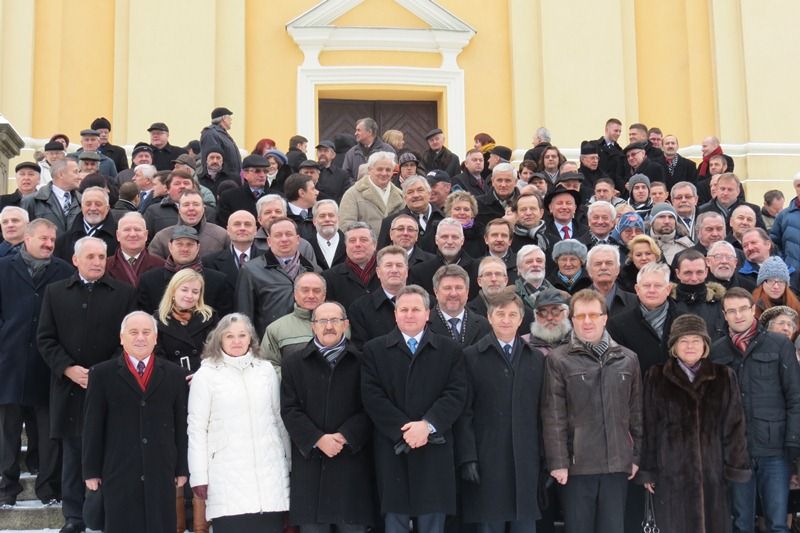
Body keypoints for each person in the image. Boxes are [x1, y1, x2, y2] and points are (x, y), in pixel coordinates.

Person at [38, 237, 137, 532]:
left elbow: (129, 341)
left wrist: (102, 373)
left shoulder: (124, 293)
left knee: (108, 452)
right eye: (90, 256)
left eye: (101, 257)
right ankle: (74, 517)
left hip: (110, 386)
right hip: (69, 386)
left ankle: (105, 514)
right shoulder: (55, 292)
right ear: (75, 260)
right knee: (73, 453)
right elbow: (45, 338)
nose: (97, 262)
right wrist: (67, 369)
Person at [360, 285, 467, 533]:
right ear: (395, 314)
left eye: (416, 309)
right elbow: (372, 396)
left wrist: (427, 426)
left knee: (433, 518)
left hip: (434, 446)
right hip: (393, 447)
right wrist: (404, 430)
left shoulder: (449, 349)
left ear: (427, 313)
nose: (410, 315)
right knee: (395, 518)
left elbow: (456, 392)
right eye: (404, 309)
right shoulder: (374, 350)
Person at [542, 289, 642, 533]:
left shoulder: (628, 359)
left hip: (617, 463)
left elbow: (636, 412)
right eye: (580, 316)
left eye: (593, 315)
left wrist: (636, 456)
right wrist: (558, 462)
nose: (587, 321)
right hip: (577, 466)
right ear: (572, 320)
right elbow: (554, 415)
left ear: (604, 318)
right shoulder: (559, 359)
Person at [639, 314, 751, 533]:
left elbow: (734, 426)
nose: (690, 346)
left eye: (696, 340)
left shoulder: (723, 376)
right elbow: (649, 426)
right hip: (670, 472)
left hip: (713, 472)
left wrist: (735, 466)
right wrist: (648, 470)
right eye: (683, 340)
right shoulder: (656, 376)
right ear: (674, 346)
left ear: (705, 345)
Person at [82, 311, 190, 533]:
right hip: (118, 469)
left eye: (146, 332)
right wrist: (91, 470)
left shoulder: (175, 375)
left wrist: (182, 467)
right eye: (133, 332)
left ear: (155, 338)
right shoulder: (101, 374)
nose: (140, 337)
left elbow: (181, 425)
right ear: (122, 338)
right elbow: (92, 426)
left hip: (161, 469)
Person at [188, 314, 290, 533]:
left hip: (269, 479)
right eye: (229, 336)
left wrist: (290, 464)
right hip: (227, 481)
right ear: (219, 339)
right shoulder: (206, 375)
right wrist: (199, 476)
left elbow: (279, 419)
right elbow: (197, 428)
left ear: (251, 338)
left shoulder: (265, 370)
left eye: (242, 335)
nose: (236, 341)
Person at [280, 302, 376, 533]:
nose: (329, 326)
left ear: (346, 324)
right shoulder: (294, 362)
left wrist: (345, 436)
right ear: (313, 326)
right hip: (311, 466)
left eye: (335, 320)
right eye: (322, 321)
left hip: (351, 464)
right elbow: (290, 409)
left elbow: (371, 406)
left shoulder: (363, 361)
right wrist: (317, 438)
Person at [711, 288, 800, 533]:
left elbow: (795, 396)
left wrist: (793, 443)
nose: (738, 315)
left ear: (753, 310)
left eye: (743, 309)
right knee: (741, 523)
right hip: (736, 450)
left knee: (777, 523)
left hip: (775, 449)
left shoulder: (779, 344)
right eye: (731, 311)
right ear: (724, 315)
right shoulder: (717, 351)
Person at [457, 287, 544, 533]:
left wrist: (545, 458)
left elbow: (544, 412)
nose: (506, 320)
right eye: (500, 314)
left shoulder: (535, 358)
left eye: (512, 314)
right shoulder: (471, 357)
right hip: (488, 457)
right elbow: (464, 412)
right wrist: (468, 457)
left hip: (526, 458)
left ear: (521, 319)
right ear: (489, 317)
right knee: (490, 523)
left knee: (524, 524)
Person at [0, 219, 73, 507]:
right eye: (43, 239)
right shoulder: (3, 268)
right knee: (7, 430)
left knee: (48, 430)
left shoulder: (64, 271)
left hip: (47, 363)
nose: (49, 244)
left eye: (52, 240)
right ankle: (7, 488)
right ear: (27, 239)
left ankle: (48, 488)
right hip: (9, 361)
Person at [139, 226, 232, 316]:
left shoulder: (217, 281)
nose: (185, 249)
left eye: (190, 244)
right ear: (170, 246)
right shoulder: (149, 280)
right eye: (179, 244)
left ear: (198, 247)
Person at [154, 269, 219, 375]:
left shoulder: (209, 317)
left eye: (195, 292)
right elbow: (158, 359)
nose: (189, 296)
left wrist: (201, 376)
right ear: (173, 291)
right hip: (173, 378)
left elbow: (217, 353)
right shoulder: (157, 321)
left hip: (205, 377)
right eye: (184, 290)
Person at [261, 272, 327, 375]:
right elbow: (267, 366)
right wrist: (293, 380)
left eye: (317, 291)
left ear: (324, 296)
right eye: (305, 290)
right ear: (295, 294)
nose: (311, 295)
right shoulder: (276, 328)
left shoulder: (340, 325)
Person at [348, 246, 408, 350]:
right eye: (388, 265)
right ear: (378, 272)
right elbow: (362, 349)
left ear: (406, 271)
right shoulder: (360, 308)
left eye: (399, 265)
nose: (394, 270)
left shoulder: (427, 303)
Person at [339, 151, 404, 235]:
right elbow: (346, 225)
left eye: (388, 170)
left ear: (393, 172)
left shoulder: (401, 196)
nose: (384, 173)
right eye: (379, 169)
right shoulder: (352, 194)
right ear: (369, 170)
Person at [428, 264, 492, 346]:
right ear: (436, 292)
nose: (453, 294)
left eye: (459, 288)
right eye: (447, 288)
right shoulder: (424, 324)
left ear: (467, 291)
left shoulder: (483, 325)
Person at [54, 186, 118, 261]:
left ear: (107, 208)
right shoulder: (63, 241)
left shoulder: (119, 238)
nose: (93, 208)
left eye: (98, 204)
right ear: (81, 207)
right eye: (88, 204)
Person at [21, 158, 82, 236]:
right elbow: (23, 233)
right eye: (75, 172)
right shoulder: (32, 201)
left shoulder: (82, 202)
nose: (80, 177)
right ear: (61, 174)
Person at [105, 212, 166, 287]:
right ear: (118, 235)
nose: (132, 234)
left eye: (137, 230)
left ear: (146, 235)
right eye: (127, 230)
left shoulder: (161, 266)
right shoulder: (105, 266)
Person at [200, 107, 241, 177]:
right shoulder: (211, 134)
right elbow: (213, 159)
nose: (231, 120)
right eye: (229, 118)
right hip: (221, 179)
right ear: (224, 118)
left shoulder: (222, 134)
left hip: (231, 177)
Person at [770, 174, 800, 271]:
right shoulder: (783, 216)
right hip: (792, 273)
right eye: (799, 185)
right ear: (795, 188)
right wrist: (784, 265)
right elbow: (774, 245)